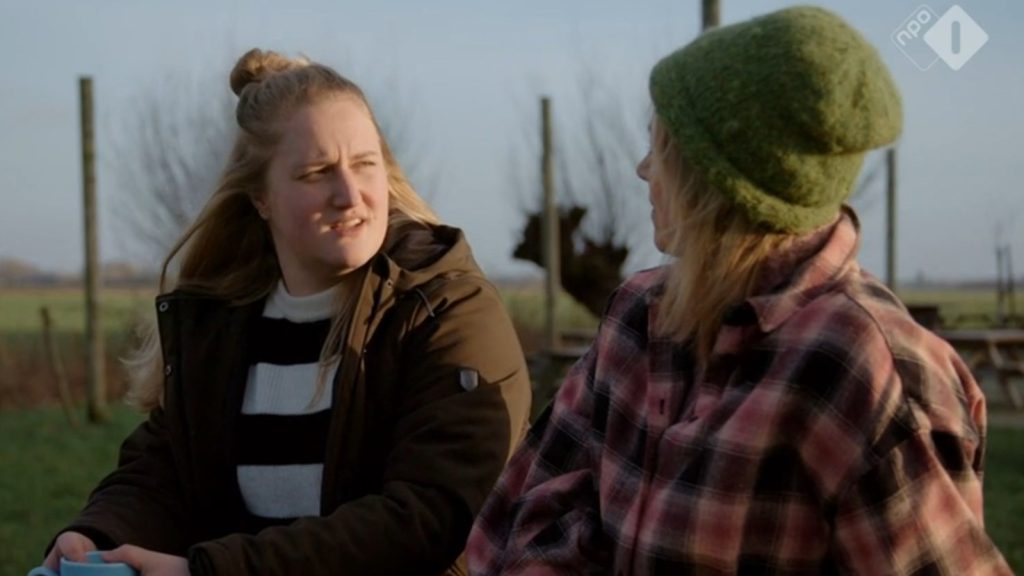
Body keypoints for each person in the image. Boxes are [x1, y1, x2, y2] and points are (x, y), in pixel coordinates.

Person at [467, 6, 1012, 574]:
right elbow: (522, 510)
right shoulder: (638, 316)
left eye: (663, 150)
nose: (642, 168)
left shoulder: (867, 375)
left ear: (718, 183)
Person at [42, 48, 532, 576]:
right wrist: (95, 534)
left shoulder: (447, 311)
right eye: (317, 173)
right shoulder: (219, 323)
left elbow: (431, 517)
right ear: (260, 198)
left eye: (365, 165)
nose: (350, 195)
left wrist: (209, 571)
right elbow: (164, 472)